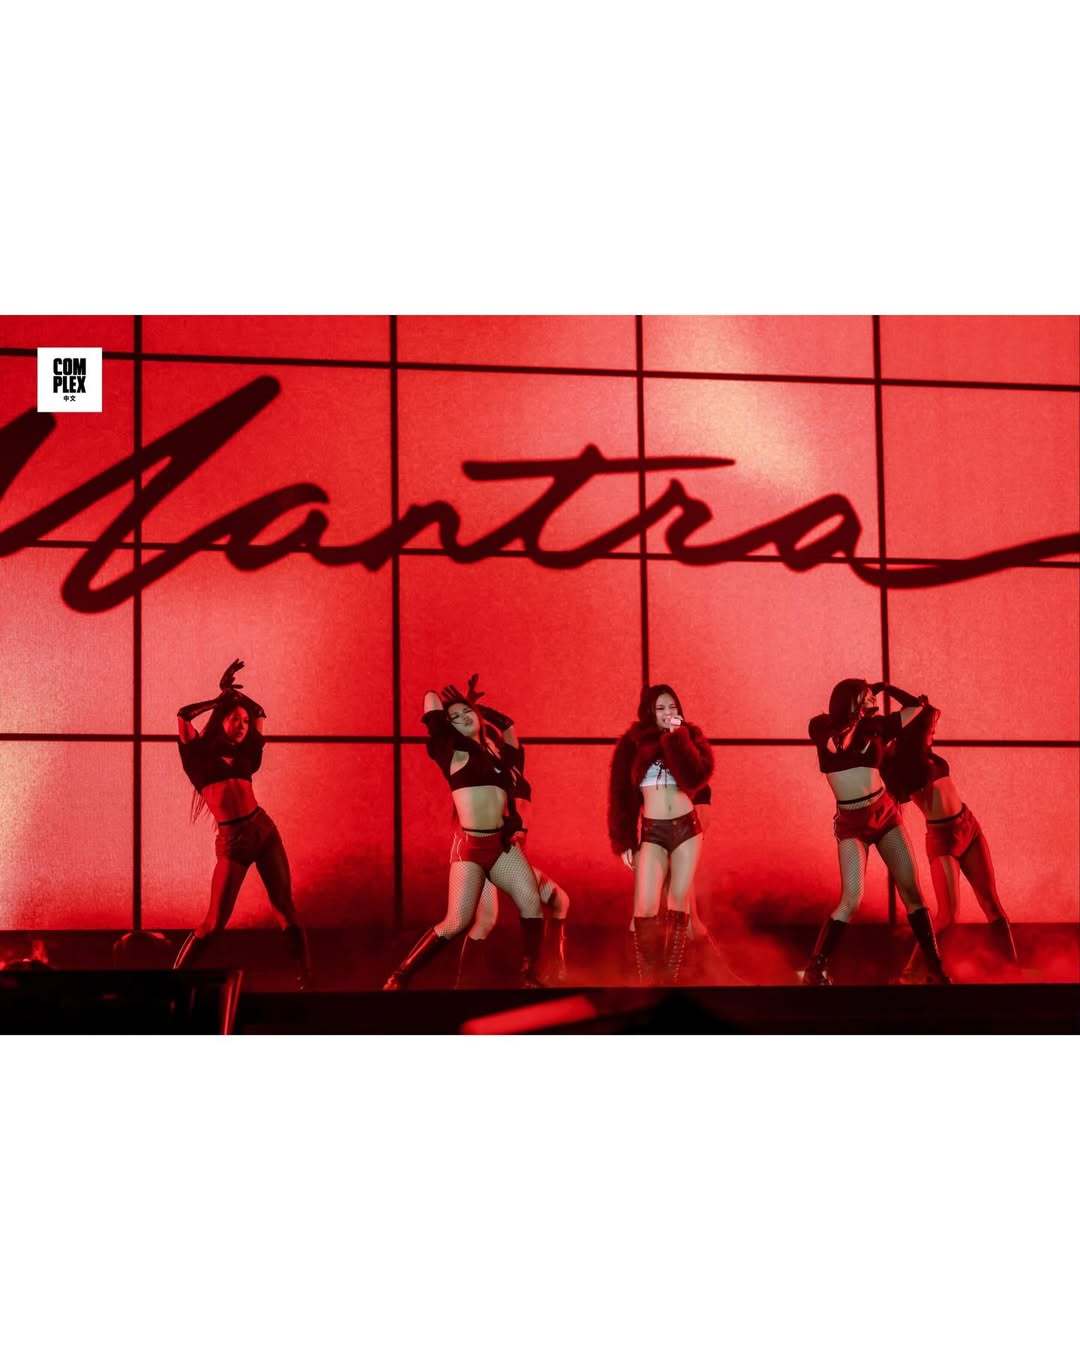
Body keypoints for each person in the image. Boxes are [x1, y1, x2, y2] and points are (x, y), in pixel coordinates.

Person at [382, 678, 545, 990]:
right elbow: (430, 700)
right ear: (448, 725)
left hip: (501, 846)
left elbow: (509, 728)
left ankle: (530, 975)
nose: (463, 717)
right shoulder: (451, 751)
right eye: (455, 717)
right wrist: (447, 713)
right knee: (456, 921)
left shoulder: (499, 757)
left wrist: (477, 707)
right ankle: (400, 976)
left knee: (531, 902)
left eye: (466, 712)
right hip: (470, 847)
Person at [173, 659, 311, 988]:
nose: (243, 725)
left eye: (245, 721)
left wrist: (232, 694)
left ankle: (306, 978)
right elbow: (183, 714)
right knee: (214, 922)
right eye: (235, 719)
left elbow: (260, 711)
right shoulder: (196, 753)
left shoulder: (248, 753)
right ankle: (173, 980)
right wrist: (221, 698)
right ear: (221, 720)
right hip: (234, 841)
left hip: (263, 830)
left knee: (284, 906)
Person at [804, 679, 950, 986]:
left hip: (884, 815)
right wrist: (860, 712)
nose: (874, 699)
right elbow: (839, 744)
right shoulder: (822, 726)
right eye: (868, 696)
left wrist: (885, 687)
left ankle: (934, 968)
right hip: (851, 822)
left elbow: (917, 707)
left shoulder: (879, 726)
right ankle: (816, 970)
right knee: (851, 898)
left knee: (912, 892)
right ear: (854, 700)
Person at [881, 688, 1019, 973]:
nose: (934, 731)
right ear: (915, 732)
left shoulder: (927, 753)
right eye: (930, 729)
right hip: (943, 839)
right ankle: (912, 970)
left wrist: (886, 687)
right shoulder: (903, 762)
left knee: (992, 904)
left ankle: (1012, 968)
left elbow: (919, 708)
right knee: (948, 915)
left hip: (968, 825)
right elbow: (916, 714)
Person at [455, 691, 570, 987]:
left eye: (492, 742)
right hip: (488, 854)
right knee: (485, 920)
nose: (490, 746)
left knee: (560, 900)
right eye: (484, 744)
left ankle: (548, 972)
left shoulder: (513, 767)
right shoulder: (482, 773)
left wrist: (475, 708)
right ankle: (462, 986)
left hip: (512, 857)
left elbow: (507, 724)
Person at [608, 684, 714, 984]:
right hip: (652, 830)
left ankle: (670, 979)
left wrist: (677, 738)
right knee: (645, 908)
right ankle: (650, 978)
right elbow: (621, 794)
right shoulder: (632, 743)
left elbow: (695, 778)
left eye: (672, 707)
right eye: (661, 708)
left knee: (678, 901)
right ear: (649, 713)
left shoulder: (690, 736)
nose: (668, 712)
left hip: (686, 828)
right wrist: (624, 840)